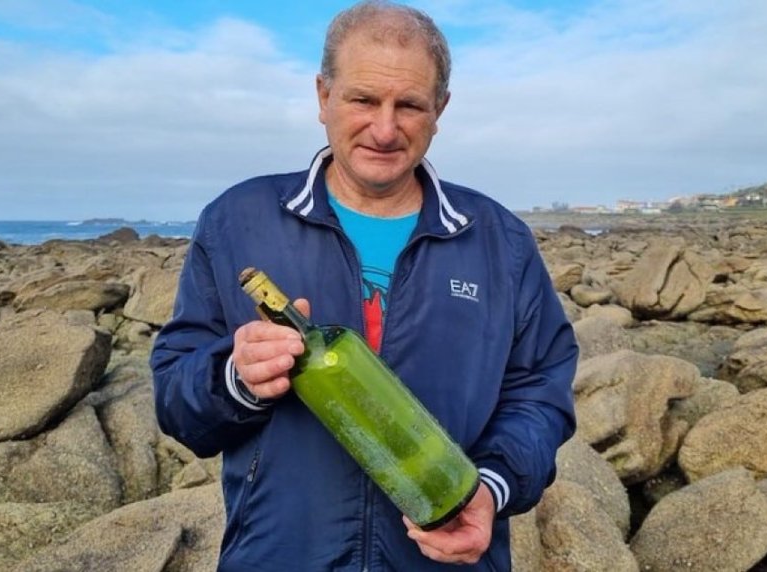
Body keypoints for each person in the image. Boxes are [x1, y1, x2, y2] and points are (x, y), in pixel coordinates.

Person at [151, 1, 577, 570]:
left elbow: (540, 392)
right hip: (281, 554)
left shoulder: (500, 241)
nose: (384, 128)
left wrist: (490, 487)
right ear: (323, 96)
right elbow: (176, 401)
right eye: (362, 100)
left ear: (440, 109)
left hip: (443, 558)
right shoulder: (238, 221)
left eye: (409, 105)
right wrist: (237, 378)